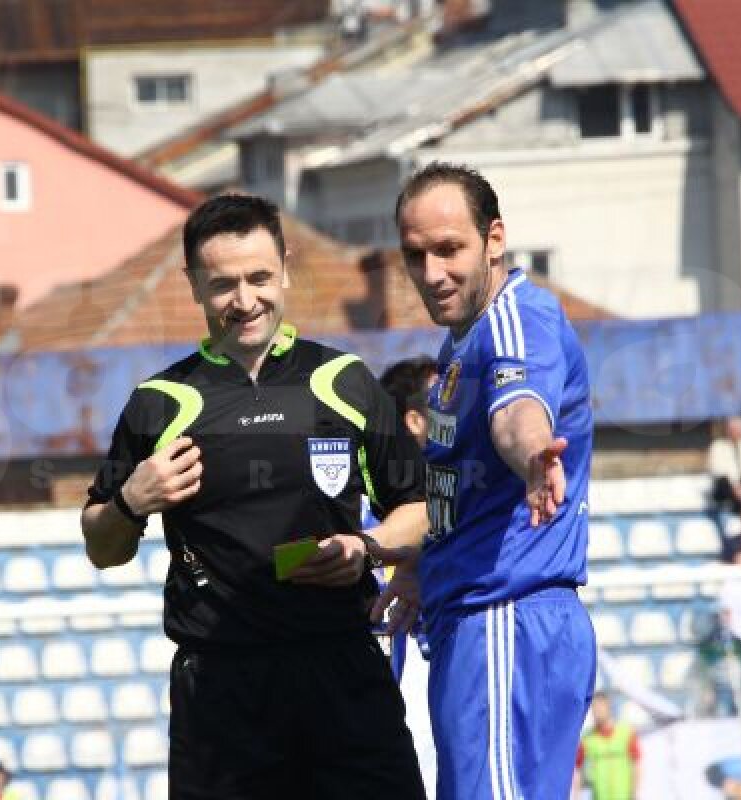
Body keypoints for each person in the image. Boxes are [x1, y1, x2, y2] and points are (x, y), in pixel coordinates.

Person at [81, 193, 428, 800]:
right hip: (221, 688)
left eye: (259, 278)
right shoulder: (160, 401)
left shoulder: (343, 382)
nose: (245, 301)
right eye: (222, 285)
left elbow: (420, 510)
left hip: (341, 669)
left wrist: (366, 547)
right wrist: (130, 502)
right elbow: (102, 547)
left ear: (286, 269)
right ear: (193, 285)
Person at [379, 163, 596, 800]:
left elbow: (517, 413)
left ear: (493, 239)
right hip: (484, 620)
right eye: (416, 256)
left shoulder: (513, 322)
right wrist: (424, 562)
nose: (432, 273)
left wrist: (534, 457)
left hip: (504, 620)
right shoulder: (460, 344)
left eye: (450, 250)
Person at [375, 356, 439, 794]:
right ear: (414, 420)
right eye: (445, 402)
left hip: (438, 692)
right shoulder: (360, 512)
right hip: (383, 711)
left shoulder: (467, 500)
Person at [574, 692, 640, 800]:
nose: (597, 711)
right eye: (594, 708)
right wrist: (576, 795)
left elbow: (637, 764)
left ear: (608, 707)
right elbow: (577, 769)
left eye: (600, 707)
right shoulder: (587, 738)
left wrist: (636, 793)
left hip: (624, 796)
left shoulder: (626, 733)